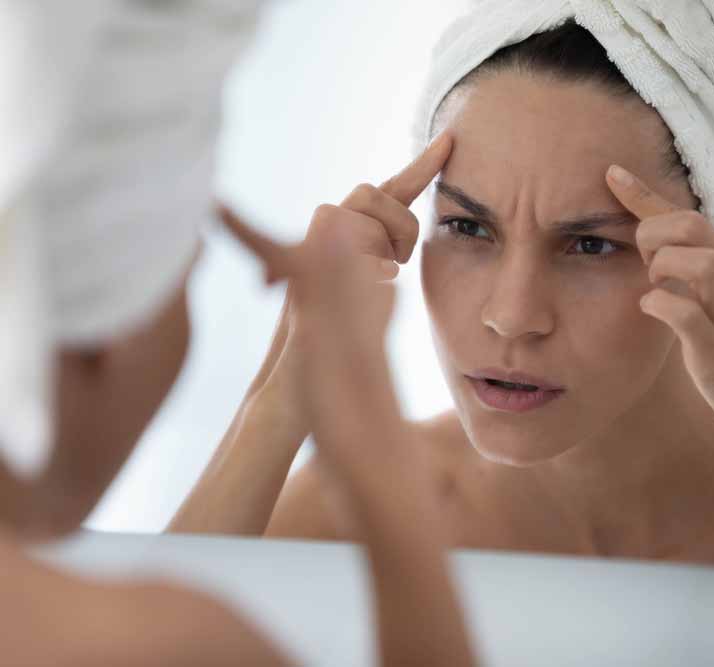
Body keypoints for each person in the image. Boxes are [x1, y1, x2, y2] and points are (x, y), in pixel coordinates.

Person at [171, 4, 714, 586]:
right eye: (468, 228)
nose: (511, 316)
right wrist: (275, 408)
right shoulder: (345, 517)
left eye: (591, 244)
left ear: (708, 247)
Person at [0, 2, 476, 664]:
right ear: (102, 329)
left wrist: (286, 389)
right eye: (188, 270)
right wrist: (373, 442)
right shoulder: (162, 641)